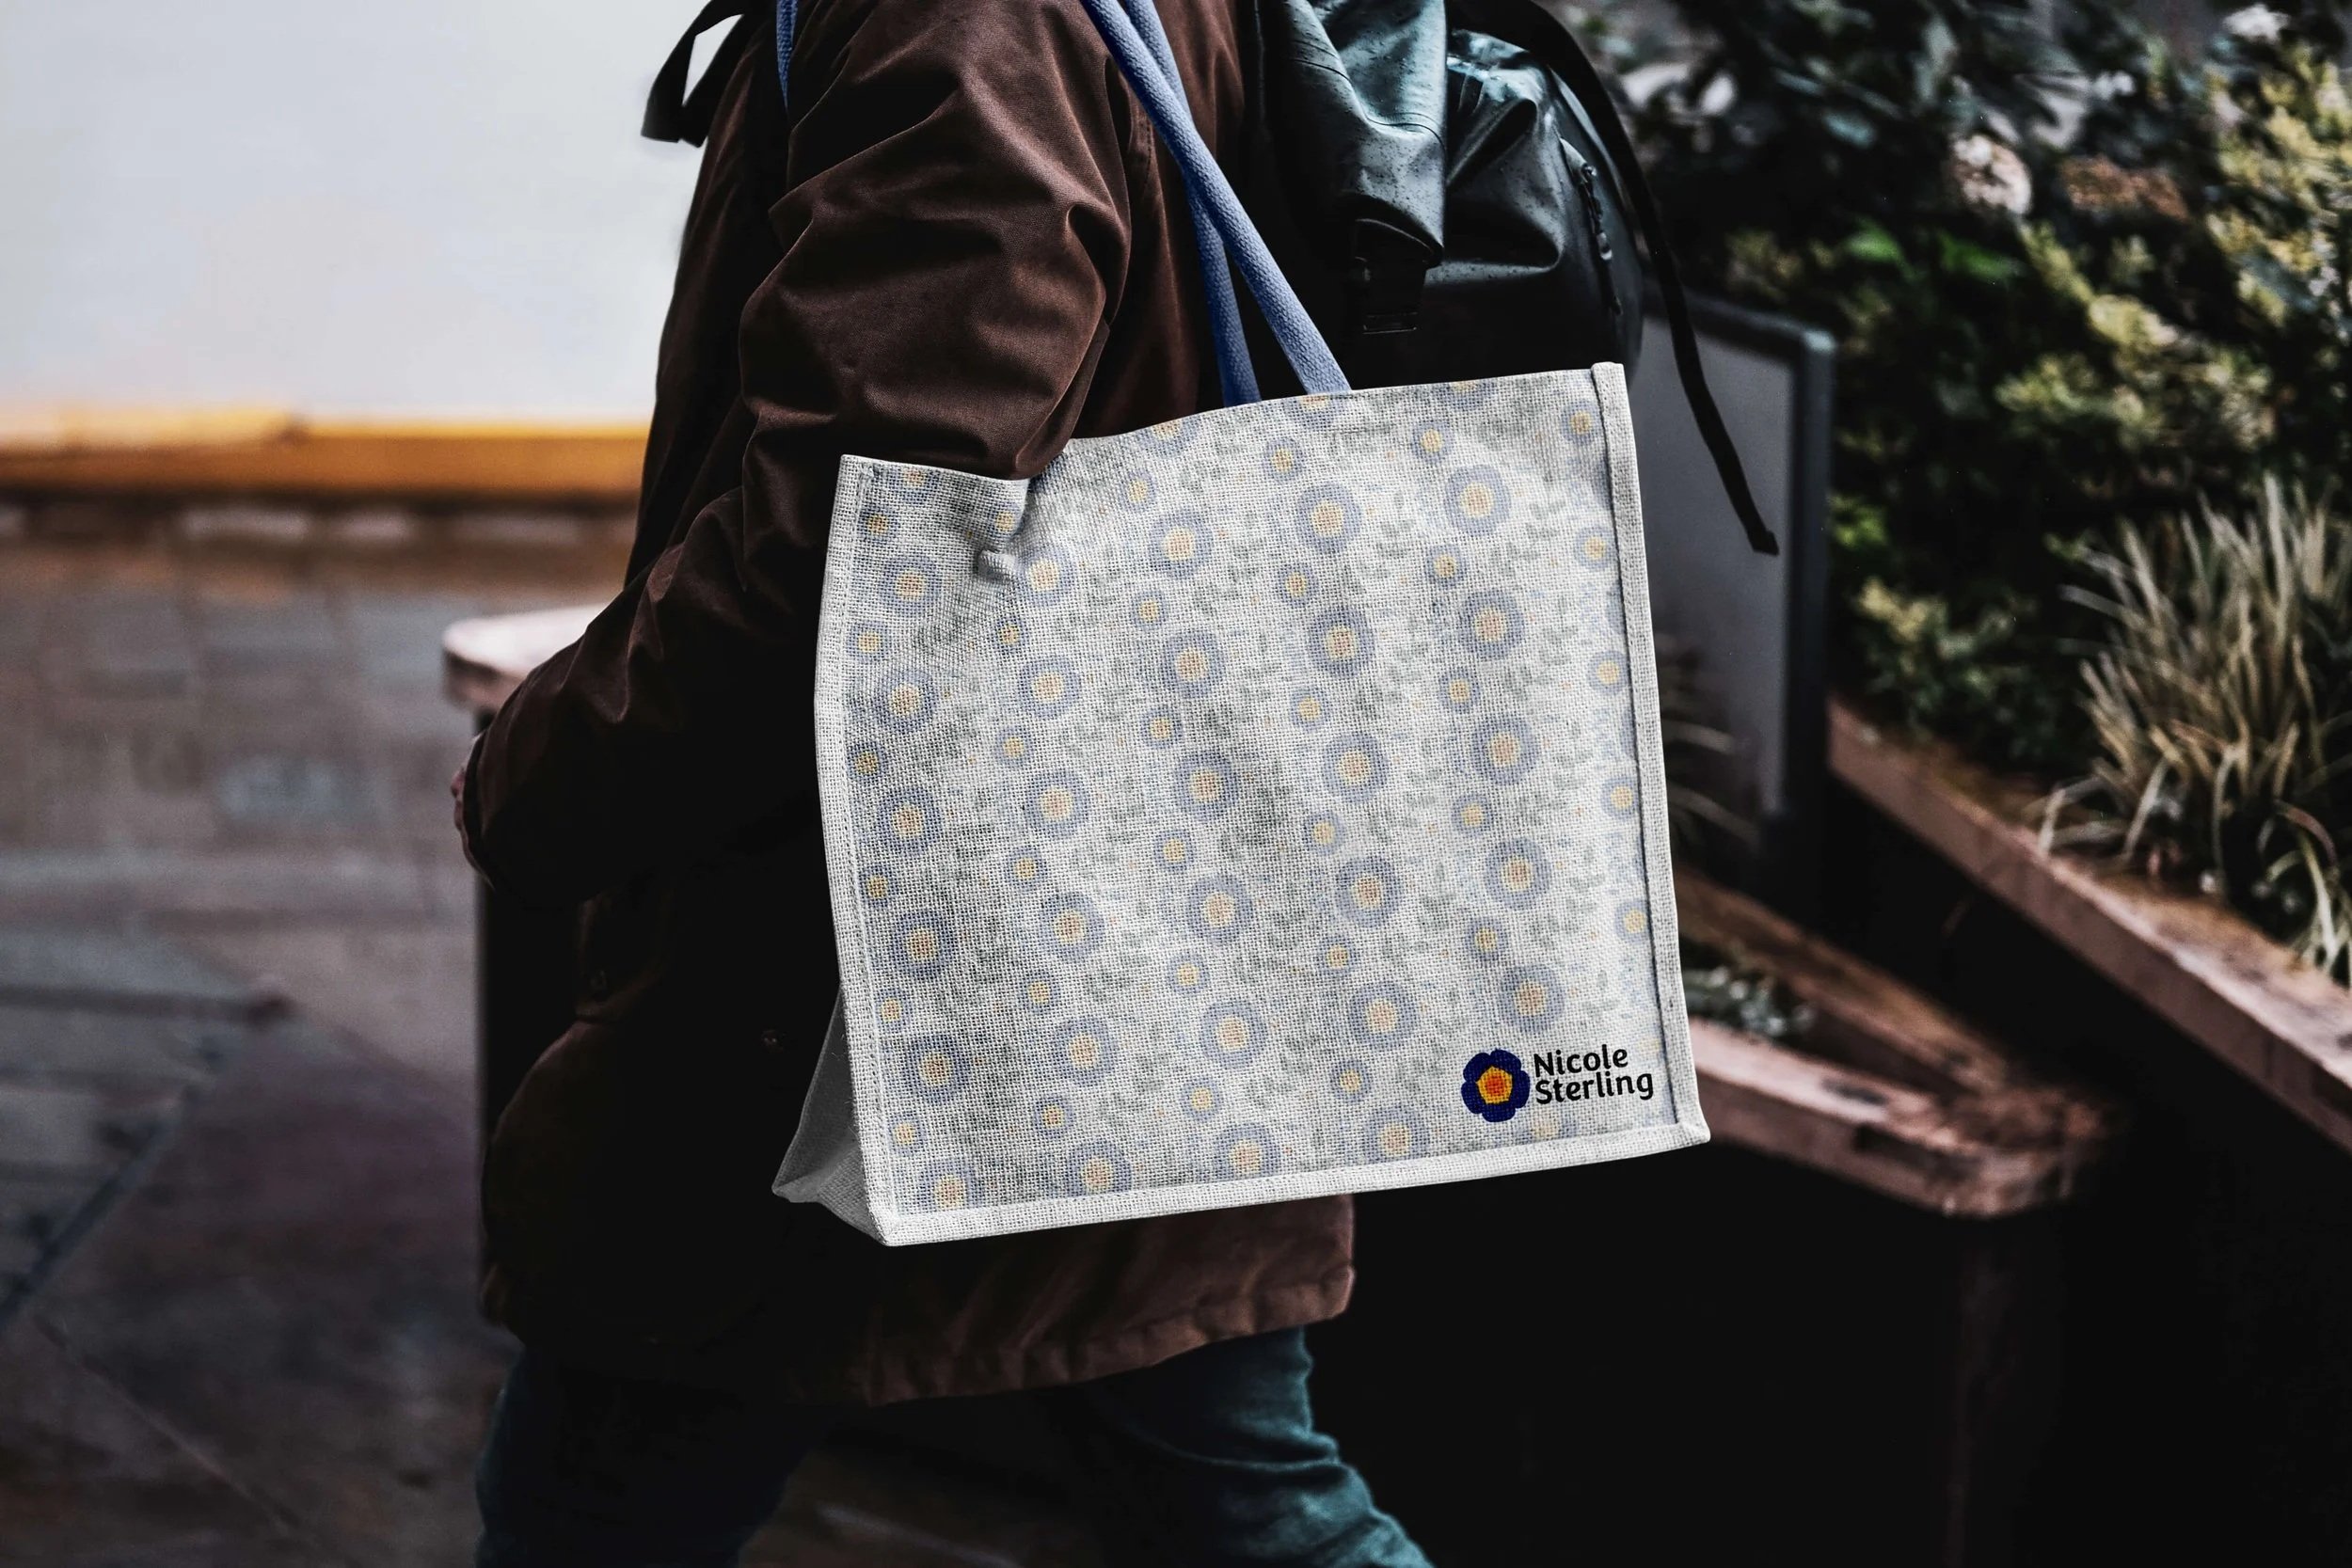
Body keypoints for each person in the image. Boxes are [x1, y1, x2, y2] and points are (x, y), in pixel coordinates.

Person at [451, 0, 1431, 1562]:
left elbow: (861, 534)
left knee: (598, 1501)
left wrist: (542, 772)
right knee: (1239, 1496)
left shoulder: (963, 18)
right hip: (1137, 890)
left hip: (866, 949)